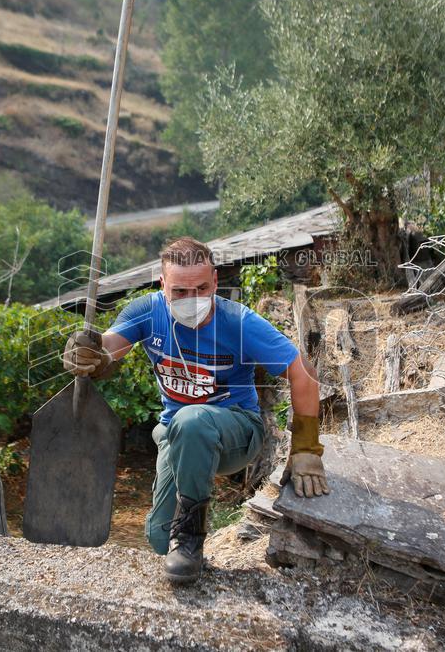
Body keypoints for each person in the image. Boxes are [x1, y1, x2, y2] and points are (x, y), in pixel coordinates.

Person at [62, 237, 329, 583]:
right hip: (176, 433)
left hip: (236, 430)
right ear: (163, 286)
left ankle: (191, 538)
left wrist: (306, 448)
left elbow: (303, 373)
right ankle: (182, 551)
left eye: (202, 288)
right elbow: (109, 349)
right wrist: (89, 356)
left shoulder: (238, 322)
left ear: (215, 281)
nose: (193, 300)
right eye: (180, 292)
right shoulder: (147, 312)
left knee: (192, 419)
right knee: (159, 534)